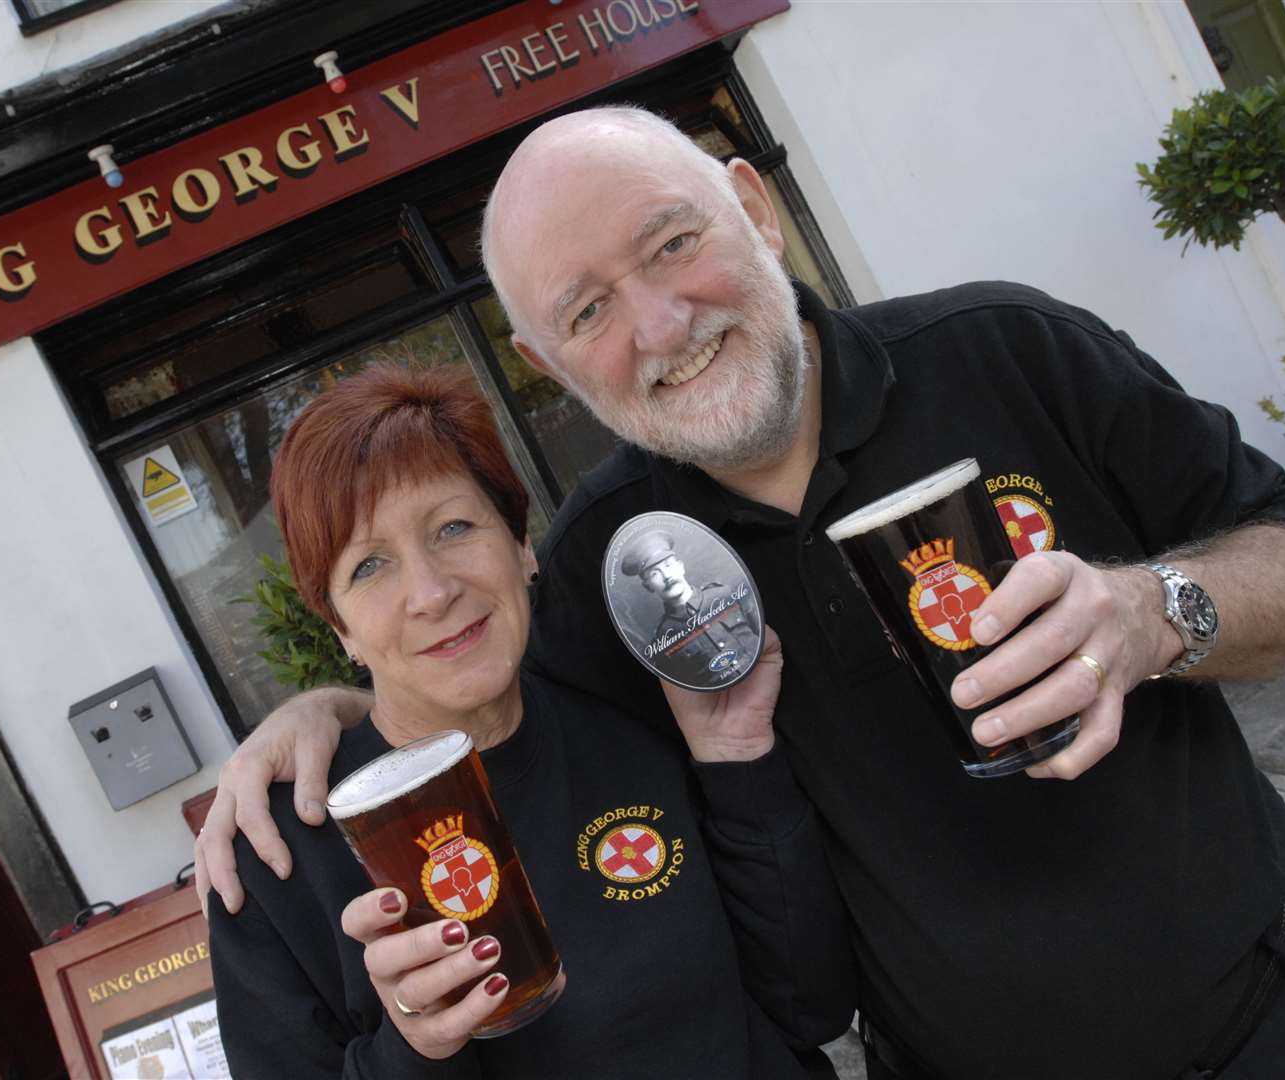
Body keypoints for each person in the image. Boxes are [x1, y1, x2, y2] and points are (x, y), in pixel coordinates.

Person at [198, 108, 1285, 1079]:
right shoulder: (620, 562)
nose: (658, 324)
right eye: (588, 312)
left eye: (669, 244)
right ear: (550, 366)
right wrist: (330, 717)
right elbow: (473, 681)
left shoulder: (1006, 350)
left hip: (1283, 1029)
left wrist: (1159, 611)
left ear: (756, 210)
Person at [206, 363, 853, 1078]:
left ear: (521, 547)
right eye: (369, 567)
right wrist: (416, 1049)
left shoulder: (631, 700)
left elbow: (810, 1006)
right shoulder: (280, 859)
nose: (431, 591)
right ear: (341, 631)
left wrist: (737, 762)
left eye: (453, 527)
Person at [619, 528, 761, 684]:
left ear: (681, 566)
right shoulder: (664, 639)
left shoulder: (726, 594)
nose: (667, 576)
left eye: (668, 565)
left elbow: (762, 631)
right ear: (648, 586)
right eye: (655, 573)